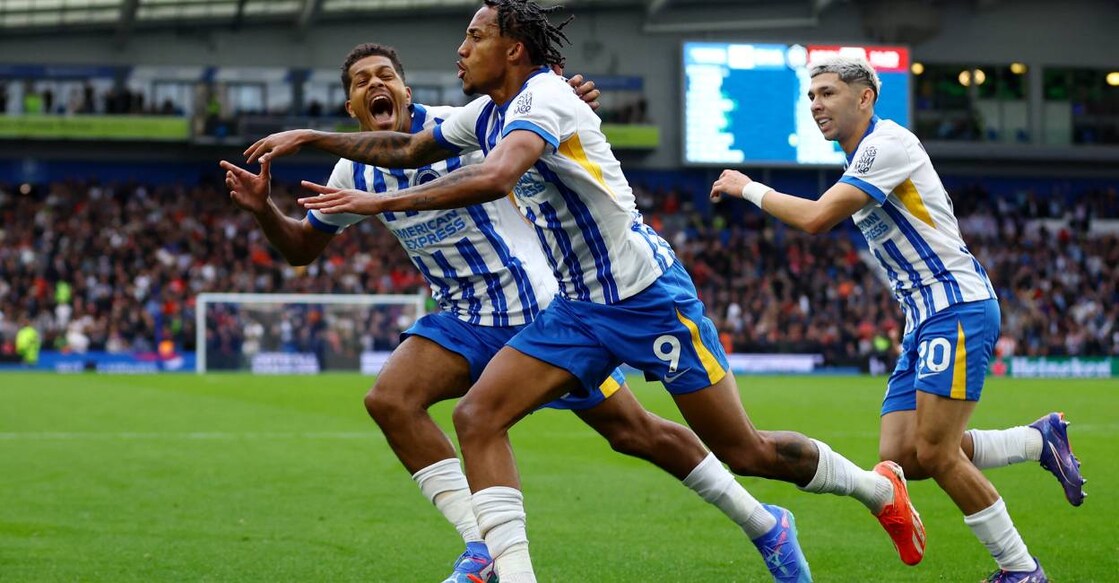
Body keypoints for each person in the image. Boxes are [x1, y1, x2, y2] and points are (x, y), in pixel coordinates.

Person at [243, 4, 926, 581]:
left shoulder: (543, 100)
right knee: (474, 416)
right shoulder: (485, 114)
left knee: (740, 449)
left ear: (511, 49)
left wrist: (365, 205)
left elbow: (494, 177)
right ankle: (500, 564)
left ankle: (871, 489)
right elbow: (401, 153)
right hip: (565, 310)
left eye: (473, 39)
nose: (459, 50)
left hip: (643, 296)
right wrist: (307, 138)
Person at [709, 55, 1086, 583]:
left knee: (936, 451)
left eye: (827, 93)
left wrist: (748, 187)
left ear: (865, 97)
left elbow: (817, 218)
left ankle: (1020, 570)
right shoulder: (863, 157)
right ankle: (1036, 440)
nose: (816, 104)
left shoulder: (889, 145)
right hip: (923, 318)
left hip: (956, 306)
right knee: (902, 455)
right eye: (811, 95)